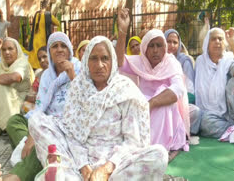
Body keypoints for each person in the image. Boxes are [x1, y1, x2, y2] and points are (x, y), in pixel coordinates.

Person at [24, 36, 168, 180]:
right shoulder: (78, 88)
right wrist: (84, 167)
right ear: (86, 61)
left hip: (116, 165)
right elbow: (71, 135)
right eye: (93, 58)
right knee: (36, 121)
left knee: (159, 155)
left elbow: (133, 141)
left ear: (112, 61)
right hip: (78, 162)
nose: (99, 65)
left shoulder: (125, 90)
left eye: (105, 58)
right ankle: (71, 175)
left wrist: (106, 169)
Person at [5, 32, 81, 181]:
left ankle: (19, 174)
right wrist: (32, 136)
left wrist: (71, 74)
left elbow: (86, 100)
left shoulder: (79, 68)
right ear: (50, 52)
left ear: (70, 50)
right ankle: (38, 150)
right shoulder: (46, 75)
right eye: (55, 46)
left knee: (45, 140)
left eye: (63, 46)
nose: (59, 49)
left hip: (66, 124)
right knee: (14, 121)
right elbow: (39, 108)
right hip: (44, 120)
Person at [116, 8, 190, 153]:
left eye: (159, 45)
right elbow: (119, 61)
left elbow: (178, 89)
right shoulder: (140, 61)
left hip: (164, 109)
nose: (155, 50)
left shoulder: (171, 63)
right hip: (142, 106)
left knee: (164, 98)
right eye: (151, 46)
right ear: (145, 48)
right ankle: (141, 145)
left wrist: (152, 103)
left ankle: (154, 148)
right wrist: (122, 31)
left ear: (165, 48)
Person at [164, 29, 201, 135]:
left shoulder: (184, 61)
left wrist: (176, 101)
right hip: (162, 102)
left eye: (175, 42)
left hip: (180, 101)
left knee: (196, 112)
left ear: (179, 44)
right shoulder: (158, 60)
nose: (172, 45)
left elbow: (190, 92)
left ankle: (184, 135)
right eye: (168, 41)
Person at [28, 0, 60, 69]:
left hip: (35, 40)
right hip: (43, 40)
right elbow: (57, 23)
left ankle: (34, 69)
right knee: (43, 55)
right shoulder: (48, 14)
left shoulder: (36, 14)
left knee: (36, 56)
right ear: (47, 5)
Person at [22, 46, 49, 113]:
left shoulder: (58, 72)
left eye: (44, 57)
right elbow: (32, 93)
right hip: (39, 103)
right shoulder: (39, 75)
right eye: (39, 59)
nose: (42, 61)